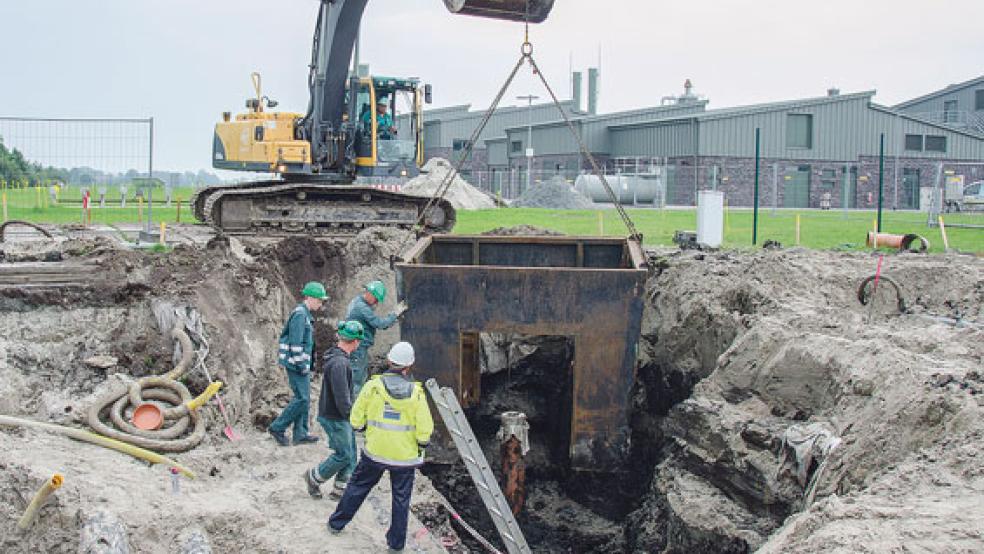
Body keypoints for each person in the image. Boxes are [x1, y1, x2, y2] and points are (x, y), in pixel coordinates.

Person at [327, 342, 434, 554]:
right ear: (409, 365)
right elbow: (425, 427)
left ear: (389, 361)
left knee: (357, 487)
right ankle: (396, 545)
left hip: (374, 453)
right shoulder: (416, 393)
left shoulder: (373, 386)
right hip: (405, 458)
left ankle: (336, 524)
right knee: (401, 500)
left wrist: (362, 428)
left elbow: (356, 416)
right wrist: (422, 443)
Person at [304, 320, 365, 500]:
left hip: (335, 415)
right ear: (355, 342)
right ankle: (314, 477)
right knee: (344, 455)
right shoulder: (340, 364)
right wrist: (353, 418)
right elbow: (342, 399)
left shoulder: (337, 359)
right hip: (335, 416)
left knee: (351, 452)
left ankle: (340, 490)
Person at [268, 281, 328, 447]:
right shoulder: (300, 315)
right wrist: (302, 365)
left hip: (300, 363)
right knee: (302, 398)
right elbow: (296, 343)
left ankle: (300, 433)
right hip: (295, 364)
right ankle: (277, 427)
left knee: (305, 398)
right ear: (309, 297)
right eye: (319, 300)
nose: (320, 303)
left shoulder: (305, 315)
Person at [345, 281, 408, 396]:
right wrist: (395, 314)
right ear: (371, 294)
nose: (376, 303)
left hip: (357, 346)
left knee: (359, 376)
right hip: (358, 348)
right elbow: (379, 324)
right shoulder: (362, 308)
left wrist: (393, 319)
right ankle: (355, 406)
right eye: (376, 299)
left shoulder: (357, 302)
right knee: (358, 380)